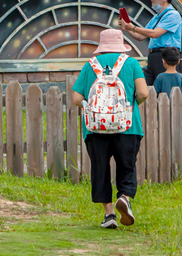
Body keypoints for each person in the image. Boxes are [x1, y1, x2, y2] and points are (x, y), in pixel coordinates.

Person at [71, 28, 148, 229]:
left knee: (100, 168)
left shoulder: (90, 66)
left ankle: (109, 214)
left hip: (95, 129)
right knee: (127, 165)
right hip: (128, 127)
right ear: (122, 46)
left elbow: (76, 99)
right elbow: (143, 93)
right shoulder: (131, 63)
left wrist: (93, 108)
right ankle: (124, 197)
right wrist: (129, 106)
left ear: (101, 47)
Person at [118, 0, 182, 87]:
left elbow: (155, 34)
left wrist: (133, 27)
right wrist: (127, 28)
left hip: (167, 57)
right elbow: (141, 36)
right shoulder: (157, 17)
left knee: (166, 91)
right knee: (146, 88)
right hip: (153, 56)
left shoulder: (173, 15)